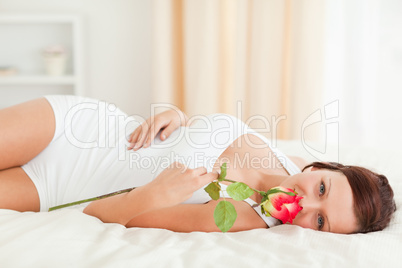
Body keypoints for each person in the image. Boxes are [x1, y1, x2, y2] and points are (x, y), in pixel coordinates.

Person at [0, 95, 396, 233]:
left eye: (321, 221)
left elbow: (103, 212)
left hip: (58, 186)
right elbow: (202, 139)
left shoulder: (242, 215)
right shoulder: (289, 159)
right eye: (323, 189)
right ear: (321, 168)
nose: (306, 204)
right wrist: (180, 117)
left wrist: (154, 194)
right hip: (80, 125)